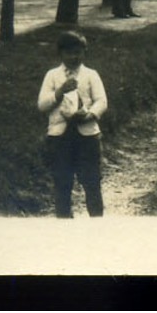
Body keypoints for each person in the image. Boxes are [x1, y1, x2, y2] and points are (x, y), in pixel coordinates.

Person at [37, 30, 109, 218]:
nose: (74, 57)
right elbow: (42, 105)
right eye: (69, 53)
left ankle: (97, 223)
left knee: (91, 181)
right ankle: (64, 224)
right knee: (62, 182)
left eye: (78, 52)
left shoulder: (91, 75)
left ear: (84, 52)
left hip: (86, 135)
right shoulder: (52, 76)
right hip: (60, 137)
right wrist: (59, 92)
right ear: (60, 54)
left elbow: (101, 101)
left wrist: (89, 115)